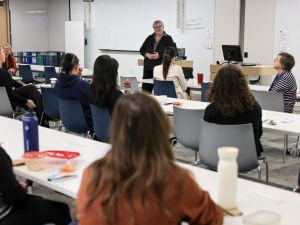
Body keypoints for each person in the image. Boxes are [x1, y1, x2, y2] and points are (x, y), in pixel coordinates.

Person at [77, 92, 223, 225]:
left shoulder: (93, 175)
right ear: (161, 128)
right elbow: (213, 218)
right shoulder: (175, 180)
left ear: (116, 129)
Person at [0, 146, 72, 225]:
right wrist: (19, 188)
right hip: (5, 215)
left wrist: (10, 183)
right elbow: (13, 196)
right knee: (61, 210)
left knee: (37, 200)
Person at [204, 65, 263, 157]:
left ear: (217, 84)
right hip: (248, 156)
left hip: (218, 156)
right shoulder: (254, 107)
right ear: (243, 83)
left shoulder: (211, 110)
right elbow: (258, 133)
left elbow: (207, 137)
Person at [0, 47, 46, 125]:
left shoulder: (4, 73)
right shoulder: (3, 73)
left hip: (3, 103)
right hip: (8, 104)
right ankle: (42, 120)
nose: (4, 53)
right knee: (32, 90)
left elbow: (13, 83)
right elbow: (10, 95)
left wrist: (24, 86)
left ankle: (42, 118)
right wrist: (26, 101)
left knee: (31, 89)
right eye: (2, 51)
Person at [54, 53, 93, 130]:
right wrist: (78, 79)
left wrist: (77, 77)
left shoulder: (57, 84)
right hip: (86, 123)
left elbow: (72, 89)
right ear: (76, 66)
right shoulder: (84, 85)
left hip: (67, 122)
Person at [140, 20, 176, 93]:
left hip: (161, 68)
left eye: (159, 26)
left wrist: (159, 55)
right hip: (148, 67)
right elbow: (141, 49)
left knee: (160, 90)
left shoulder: (168, 38)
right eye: (155, 27)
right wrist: (147, 54)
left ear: (163, 27)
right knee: (146, 90)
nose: (157, 28)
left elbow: (173, 51)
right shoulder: (149, 38)